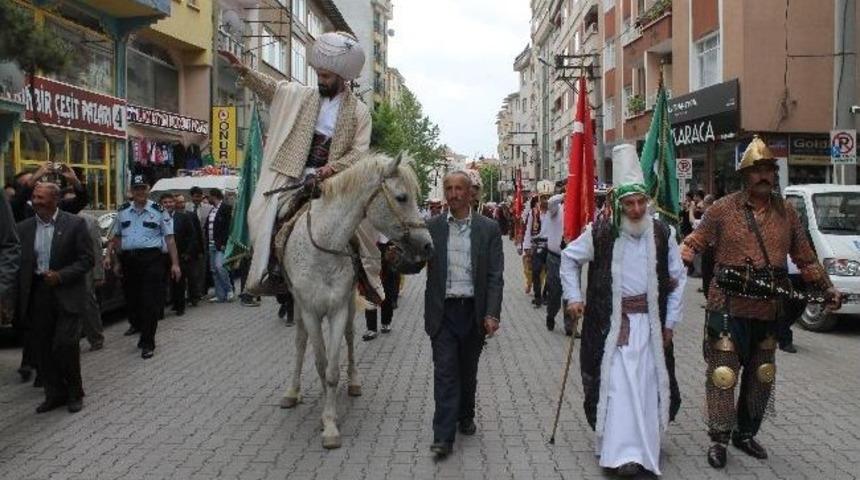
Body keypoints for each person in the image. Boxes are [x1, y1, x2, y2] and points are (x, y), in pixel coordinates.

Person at [680, 136, 841, 469]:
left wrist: (827, 289)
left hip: (768, 305)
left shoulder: (788, 212)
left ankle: (745, 433)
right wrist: (677, 261)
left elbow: (806, 258)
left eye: (768, 168)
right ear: (745, 175)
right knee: (724, 373)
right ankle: (719, 438)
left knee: (762, 374)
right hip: (727, 304)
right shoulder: (722, 209)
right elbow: (694, 242)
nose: (763, 175)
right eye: (756, 170)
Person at [220, 32, 381, 302]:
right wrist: (245, 71)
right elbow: (273, 88)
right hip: (294, 174)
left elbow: (358, 152)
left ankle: (367, 279)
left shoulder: (359, 112)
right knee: (265, 215)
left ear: (343, 78)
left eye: (326, 77)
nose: (320, 80)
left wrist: (331, 169)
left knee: (361, 225)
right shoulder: (302, 96)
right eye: (319, 75)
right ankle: (273, 271)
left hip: (335, 180)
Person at [560, 145, 686, 477]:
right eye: (629, 203)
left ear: (648, 201)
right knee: (614, 385)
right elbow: (568, 260)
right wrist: (573, 297)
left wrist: (671, 321)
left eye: (641, 202)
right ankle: (616, 452)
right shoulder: (600, 233)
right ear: (618, 204)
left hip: (649, 327)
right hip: (609, 327)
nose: (636, 209)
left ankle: (642, 452)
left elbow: (677, 279)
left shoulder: (662, 233)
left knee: (644, 385)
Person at [423, 171, 504, 458]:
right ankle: (443, 437)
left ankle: (465, 413)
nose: (454, 194)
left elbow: (495, 276)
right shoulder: (431, 227)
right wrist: (398, 260)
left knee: (467, 371)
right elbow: (414, 262)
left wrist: (492, 313)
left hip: (473, 311)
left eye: (459, 188)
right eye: (449, 188)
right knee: (445, 372)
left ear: (470, 193)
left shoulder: (489, 228)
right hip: (442, 312)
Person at [15, 182, 93, 413]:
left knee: (65, 344)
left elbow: (87, 260)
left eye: (41, 197)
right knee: (43, 346)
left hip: (66, 292)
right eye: (34, 197)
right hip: (38, 293)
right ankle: (54, 393)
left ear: (55, 200)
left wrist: (61, 275)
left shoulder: (75, 224)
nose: (36, 201)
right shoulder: (24, 228)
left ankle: (74, 392)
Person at [105, 174, 181, 359]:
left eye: (143, 188)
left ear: (148, 190)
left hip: (152, 260)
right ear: (131, 191)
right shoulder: (122, 211)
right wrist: (113, 259)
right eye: (136, 188)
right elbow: (116, 237)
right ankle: (141, 330)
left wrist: (175, 264)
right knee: (133, 301)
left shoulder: (158, 210)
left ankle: (148, 342)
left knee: (149, 302)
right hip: (129, 261)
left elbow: (169, 239)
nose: (140, 192)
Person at [10, 162, 88, 222]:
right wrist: (33, 179)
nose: (37, 183)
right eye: (31, 181)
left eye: (38, 179)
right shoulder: (19, 210)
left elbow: (81, 201)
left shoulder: (56, 206)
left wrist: (75, 181)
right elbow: (17, 203)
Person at [541, 193, 574, 334]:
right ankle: (551, 314)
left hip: (572, 259)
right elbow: (550, 202)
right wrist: (565, 194)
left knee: (570, 292)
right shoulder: (557, 209)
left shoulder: (576, 211)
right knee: (555, 292)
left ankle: (570, 326)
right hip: (555, 258)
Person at [165, 193, 203, 316]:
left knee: (180, 280)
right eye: (165, 202)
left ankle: (181, 306)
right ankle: (171, 304)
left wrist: (188, 252)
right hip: (164, 255)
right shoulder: (160, 217)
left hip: (181, 254)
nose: (169, 204)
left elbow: (193, 236)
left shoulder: (184, 217)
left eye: (171, 202)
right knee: (168, 282)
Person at [362, 235, 402, 341]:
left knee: (387, 293)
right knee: (370, 293)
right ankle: (371, 328)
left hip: (387, 252)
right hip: (370, 251)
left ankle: (386, 322)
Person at [79, 211, 105, 351]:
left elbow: (96, 248)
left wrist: (98, 274)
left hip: (85, 270)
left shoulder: (89, 220)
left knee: (88, 304)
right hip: (64, 271)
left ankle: (95, 338)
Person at [524, 183, 552, 307]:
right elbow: (528, 229)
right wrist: (526, 246)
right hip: (537, 244)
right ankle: (537, 297)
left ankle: (546, 294)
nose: (545, 200)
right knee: (535, 271)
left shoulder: (555, 211)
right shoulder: (533, 212)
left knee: (550, 272)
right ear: (539, 198)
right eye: (543, 197)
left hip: (551, 245)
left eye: (547, 197)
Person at [174, 194, 204, 309]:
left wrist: (200, 250)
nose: (181, 204)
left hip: (192, 251)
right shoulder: (173, 217)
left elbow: (197, 233)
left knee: (192, 276)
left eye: (182, 202)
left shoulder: (191, 215)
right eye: (179, 202)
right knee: (180, 278)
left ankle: (194, 297)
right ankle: (179, 300)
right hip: (179, 252)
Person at [204, 188, 233, 303]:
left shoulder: (225, 208)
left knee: (220, 267)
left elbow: (228, 227)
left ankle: (229, 290)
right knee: (214, 271)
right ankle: (220, 295)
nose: (207, 199)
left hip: (220, 245)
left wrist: (224, 243)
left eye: (209, 197)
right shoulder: (212, 210)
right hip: (211, 245)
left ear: (214, 196)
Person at [186, 186, 211, 305]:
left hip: (203, 241)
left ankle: (200, 291)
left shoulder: (208, 208)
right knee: (191, 269)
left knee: (201, 268)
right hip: (190, 242)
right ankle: (192, 292)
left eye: (199, 196)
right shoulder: (186, 207)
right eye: (195, 196)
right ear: (191, 197)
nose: (197, 199)